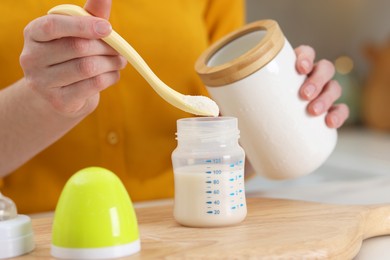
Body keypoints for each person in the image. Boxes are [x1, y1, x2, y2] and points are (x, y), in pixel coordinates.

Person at [0, 0, 349, 213]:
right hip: (34, 236)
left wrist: (286, 103)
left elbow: (231, 139)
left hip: (191, 230)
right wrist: (38, 99)